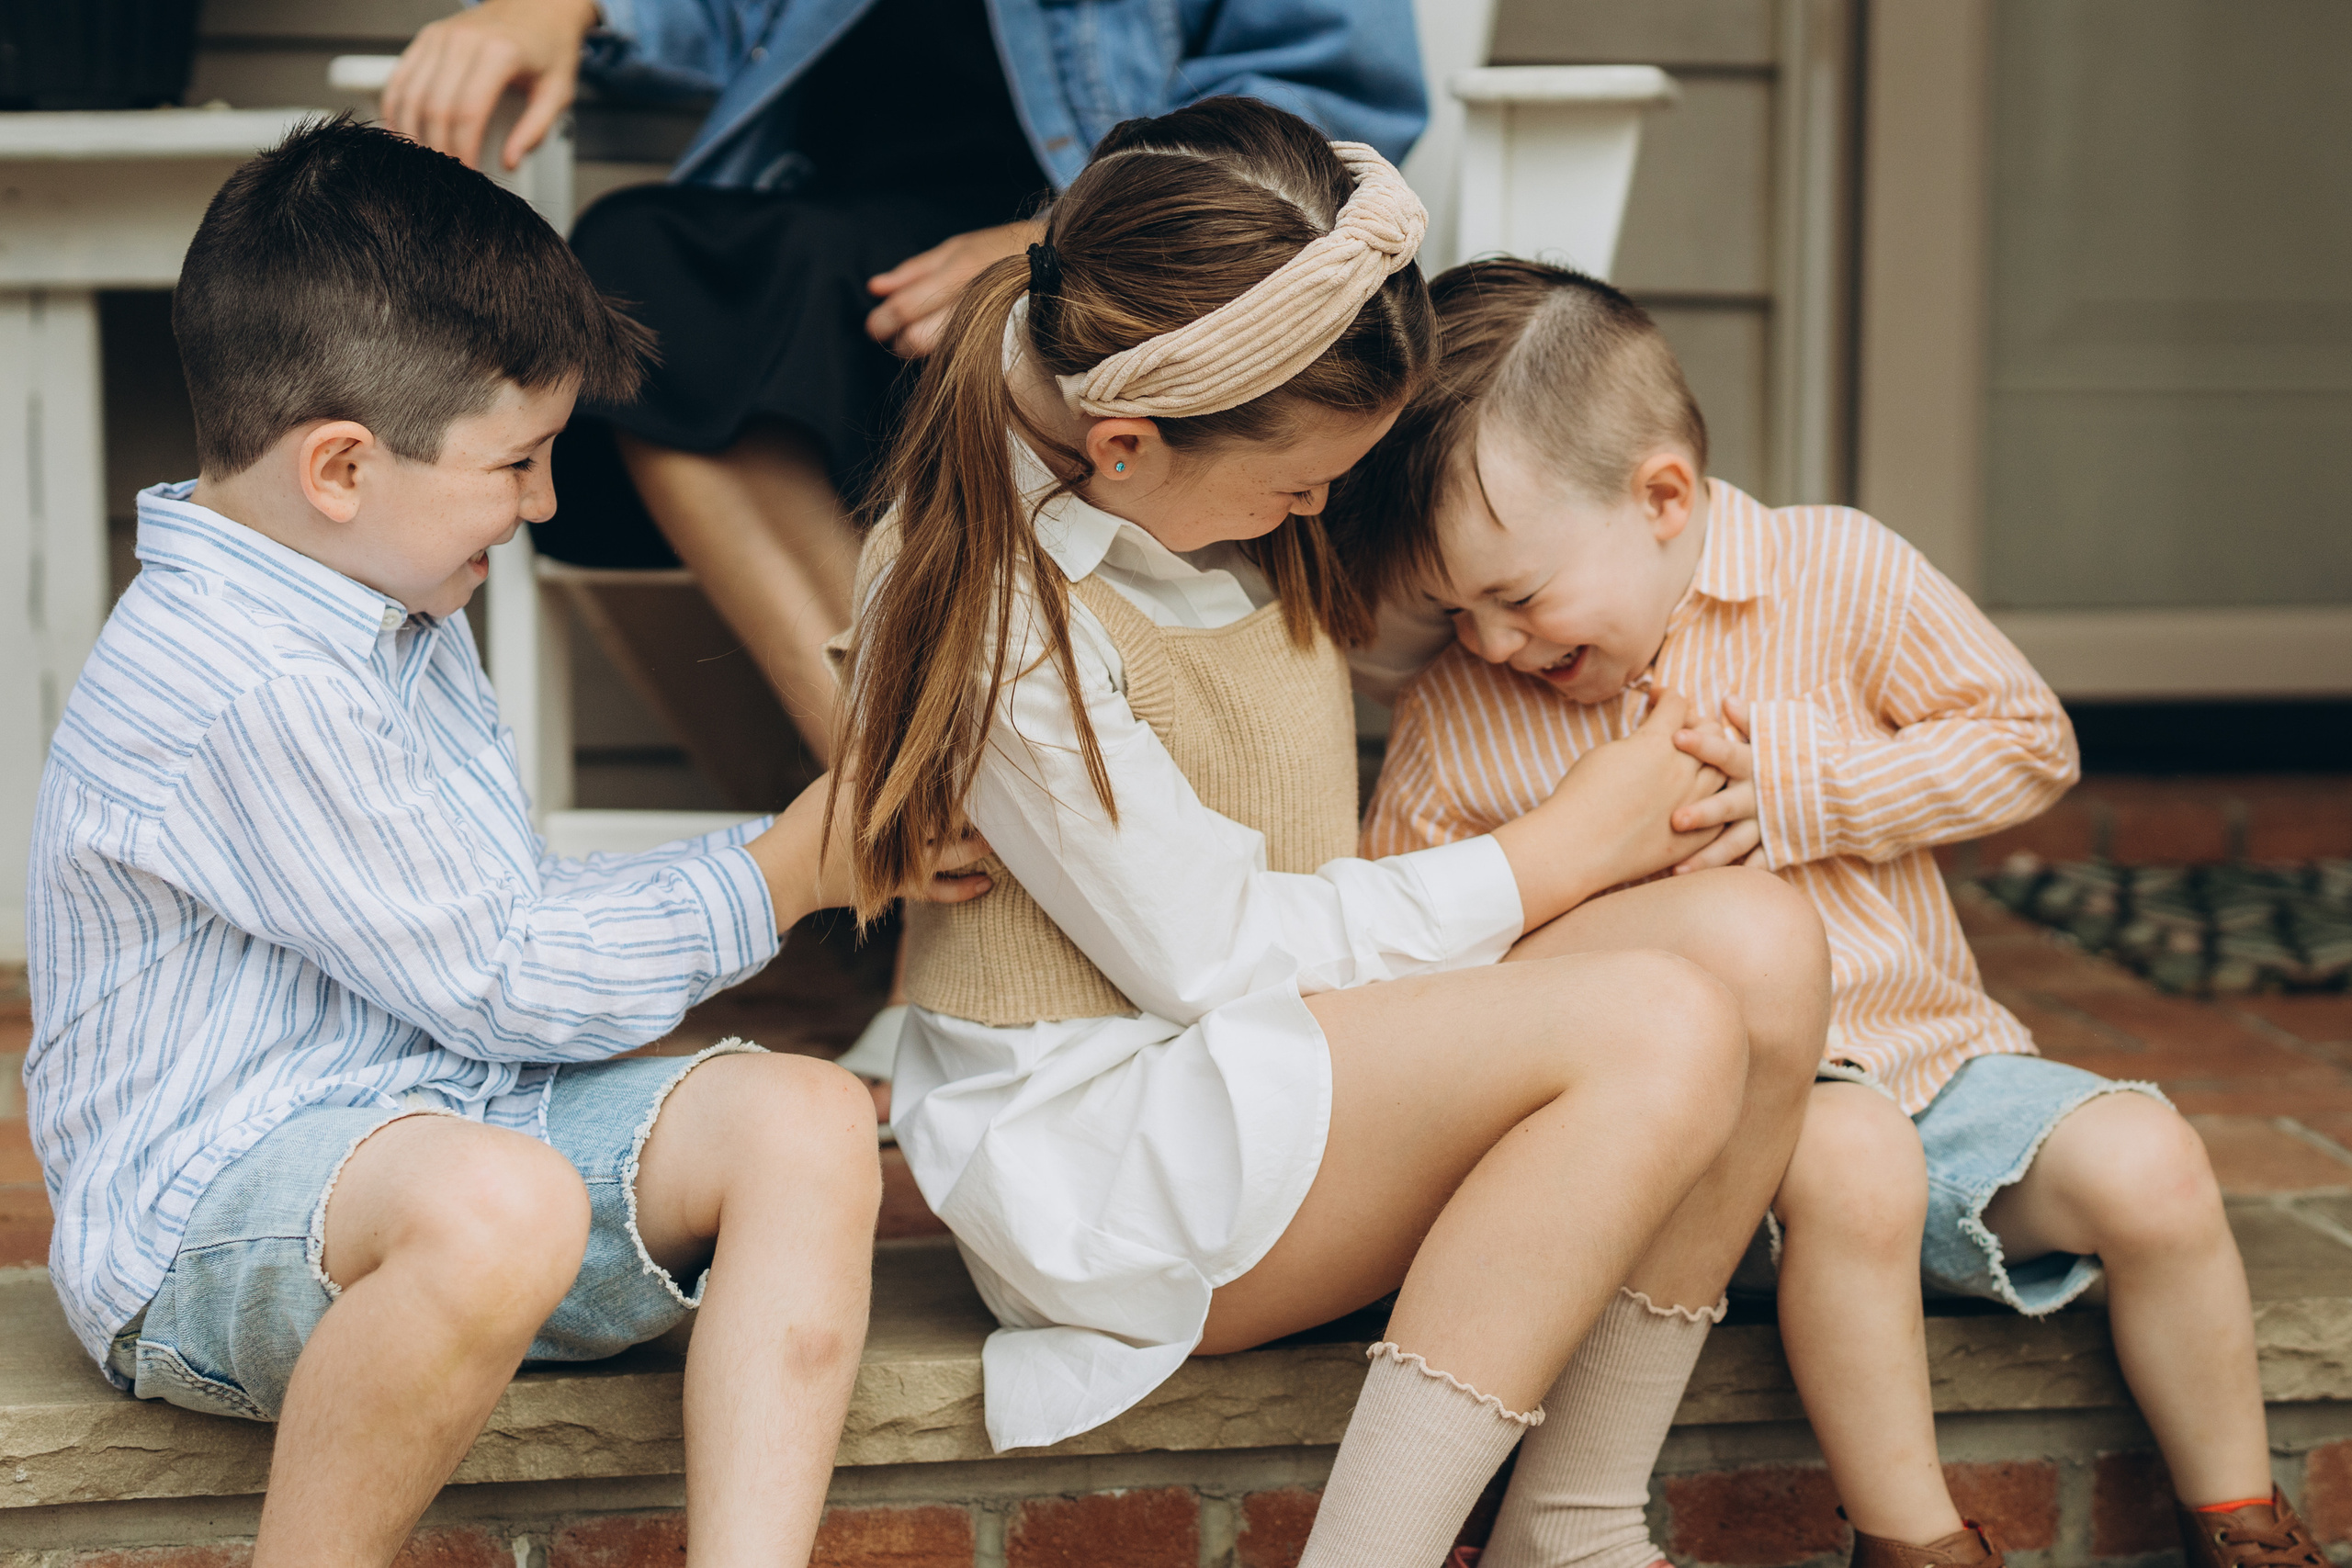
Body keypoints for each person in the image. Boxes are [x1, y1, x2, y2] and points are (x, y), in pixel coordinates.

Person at [829, 96, 1829, 1566]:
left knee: (1762, 945)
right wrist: (1549, 855)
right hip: (1114, 1144)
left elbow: (1510, 511)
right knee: (1659, 1026)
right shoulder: (988, 597)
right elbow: (1205, 951)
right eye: (1303, 485)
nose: (1323, 509)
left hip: (1295, 1049)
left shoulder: (1229, 433)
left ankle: (1572, 1514)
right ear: (1122, 447)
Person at [20, 118, 988, 1568]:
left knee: (804, 1117)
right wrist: (790, 867)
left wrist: (798, 854)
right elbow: (505, 971)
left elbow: (497, 920)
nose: (542, 504)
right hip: (207, 1226)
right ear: (341, 465)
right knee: (500, 1201)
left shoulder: (383, 594)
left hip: (450, 1130)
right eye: (519, 462)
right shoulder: (248, 678)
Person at [1342, 259, 2312, 1568]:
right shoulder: (1462, 712)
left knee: (2155, 1161)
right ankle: (1912, 1536)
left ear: (1665, 495)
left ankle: (2241, 1520)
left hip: (1940, 1065)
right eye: (1456, 610)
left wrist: (1822, 788)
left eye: (1518, 595)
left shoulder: (1836, 572)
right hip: (1713, 1162)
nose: (1497, 641)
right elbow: (1421, 958)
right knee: (1853, 1153)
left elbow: (2029, 741)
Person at [379, 0, 1428, 761]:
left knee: (712, 301)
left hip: (1108, 269)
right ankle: (920, 795)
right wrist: (558, 9)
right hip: (841, 277)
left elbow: (1329, 95)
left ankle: (924, 818)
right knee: (640, 273)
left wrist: (1059, 240)